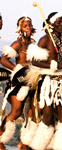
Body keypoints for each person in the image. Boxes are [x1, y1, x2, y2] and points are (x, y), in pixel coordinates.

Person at [25, 12, 62, 150]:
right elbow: (34, 61)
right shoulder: (45, 40)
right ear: (51, 25)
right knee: (47, 118)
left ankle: (61, 147)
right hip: (49, 82)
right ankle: (35, 147)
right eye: (59, 22)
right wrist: (53, 66)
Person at [0, 16, 36, 150]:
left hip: (32, 82)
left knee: (32, 114)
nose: (28, 28)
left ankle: (24, 143)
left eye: (30, 25)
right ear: (20, 28)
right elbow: (3, 60)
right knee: (16, 112)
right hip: (18, 83)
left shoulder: (33, 44)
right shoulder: (18, 44)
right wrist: (17, 69)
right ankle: (1, 139)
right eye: (25, 26)